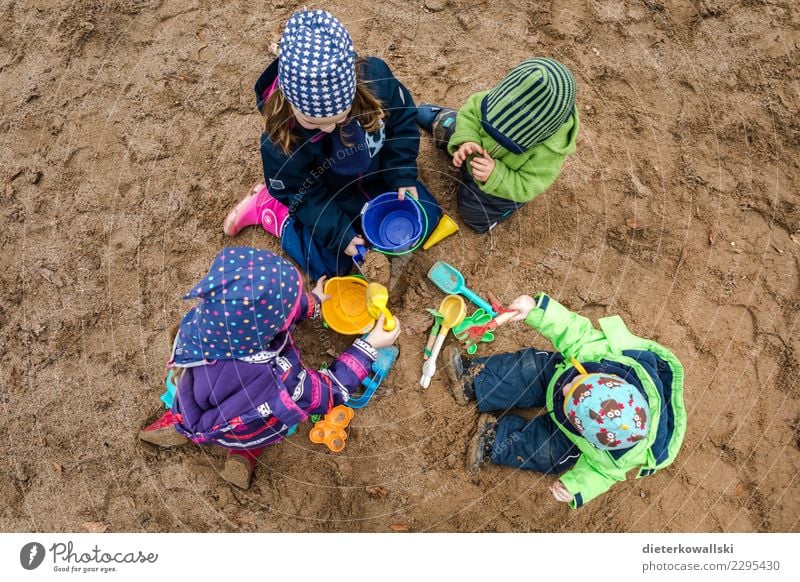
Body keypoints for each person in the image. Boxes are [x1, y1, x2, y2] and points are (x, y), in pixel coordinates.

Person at [139, 247, 401, 490]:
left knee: (183, 405)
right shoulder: (278, 377)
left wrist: (313, 302)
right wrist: (367, 347)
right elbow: (325, 392)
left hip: (195, 400)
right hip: (239, 422)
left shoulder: (200, 326)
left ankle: (173, 425)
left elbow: (266, 311)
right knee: (255, 430)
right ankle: (244, 454)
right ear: (269, 329)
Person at [223, 9, 441, 279]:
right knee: (331, 266)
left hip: (378, 177)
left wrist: (402, 172)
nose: (329, 128)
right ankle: (273, 213)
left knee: (427, 216)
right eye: (314, 122)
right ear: (290, 103)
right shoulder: (280, 140)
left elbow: (404, 121)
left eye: (341, 118)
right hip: (331, 198)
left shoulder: (377, 81)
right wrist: (338, 231)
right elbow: (301, 193)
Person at [444, 292, 686, 508]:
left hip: (570, 434)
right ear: (608, 376)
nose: (566, 389)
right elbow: (573, 330)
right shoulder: (605, 356)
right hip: (567, 369)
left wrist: (576, 488)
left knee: (551, 453)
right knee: (531, 368)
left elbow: (601, 474)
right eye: (577, 386)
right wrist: (536, 310)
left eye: (570, 396)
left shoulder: (619, 457)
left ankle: (494, 439)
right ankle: (475, 379)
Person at [417, 58, 579, 233]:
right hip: (474, 152)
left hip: (503, 183)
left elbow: (527, 185)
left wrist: (496, 175)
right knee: (453, 129)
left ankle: (492, 217)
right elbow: (471, 112)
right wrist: (467, 140)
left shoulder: (549, 152)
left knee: (473, 212)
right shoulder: (507, 96)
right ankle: (443, 118)